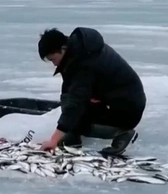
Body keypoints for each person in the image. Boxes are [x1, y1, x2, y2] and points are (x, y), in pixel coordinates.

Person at [37, 27, 146, 155]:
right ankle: (73, 136)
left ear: (63, 48)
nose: (54, 64)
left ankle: (122, 133)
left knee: (76, 116)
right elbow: (69, 93)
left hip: (128, 109)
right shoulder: (78, 51)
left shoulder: (83, 61)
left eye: (53, 59)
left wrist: (53, 140)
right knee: (69, 103)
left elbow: (75, 103)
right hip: (115, 100)